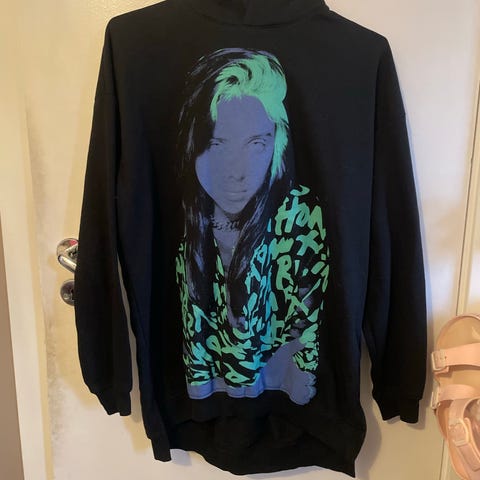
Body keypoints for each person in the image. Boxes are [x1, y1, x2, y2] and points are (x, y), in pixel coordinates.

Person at [174, 47, 329, 405]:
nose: (237, 172)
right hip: (194, 416)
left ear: (277, 144)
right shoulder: (190, 225)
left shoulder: (299, 215)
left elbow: (307, 328)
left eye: (256, 144)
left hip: (292, 410)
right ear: (192, 145)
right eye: (216, 144)